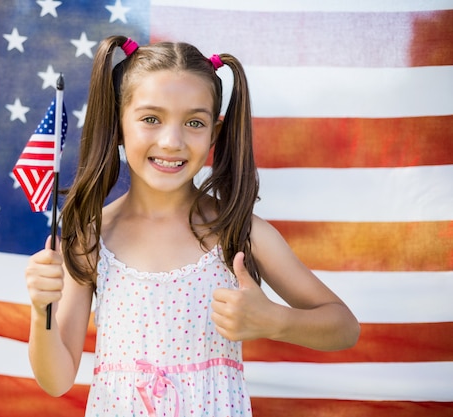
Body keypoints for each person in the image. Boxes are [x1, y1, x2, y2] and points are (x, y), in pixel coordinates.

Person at [24, 35, 360, 416]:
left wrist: (275, 320)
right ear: (118, 124)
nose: (172, 141)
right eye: (151, 119)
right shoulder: (92, 237)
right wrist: (41, 309)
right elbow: (57, 380)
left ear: (214, 133)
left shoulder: (239, 232)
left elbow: (344, 327)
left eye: (194, 122)